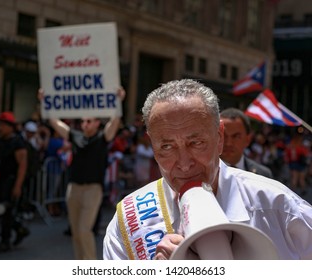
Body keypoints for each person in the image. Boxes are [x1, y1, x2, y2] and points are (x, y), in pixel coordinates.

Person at [103, 79, 312, 260]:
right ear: (152, 146)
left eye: (196, 143)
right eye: (166, 147)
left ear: (219, 138)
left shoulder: (279, 208)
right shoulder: (128, 223)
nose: (184, 164)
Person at [39, 87, 125, 260]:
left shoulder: (103, 137)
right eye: (83, 121)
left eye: (89, 121)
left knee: (84, 230)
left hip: (93, 189)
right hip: (74, 188)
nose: (85, 124)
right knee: (76, 232)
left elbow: (114, 121)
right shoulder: (75, 135)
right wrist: (44, 101)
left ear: (96, 123)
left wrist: (119, 101)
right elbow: (54, 122)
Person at [0, 112, 30, 253]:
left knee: (5, 210)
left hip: (12, 181)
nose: (0, 127)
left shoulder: (17, 142)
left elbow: (22, 165)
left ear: (10, 127)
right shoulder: (1, 141)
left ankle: (5, 240)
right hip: (2, 180)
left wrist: (17, 186)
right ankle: (19, 228)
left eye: (2, 125)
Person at [220, 107, 273, 178]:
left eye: (236, 136)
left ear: (248, 139)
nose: (228, 143)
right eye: (223, 135)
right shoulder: (202, 173)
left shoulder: (263, 175)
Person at [284, 129, 310, 196]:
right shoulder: (301, 146)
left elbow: (287, 154)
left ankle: (292, 191)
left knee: (294, 178)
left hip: (293, 163)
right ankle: (303, 189)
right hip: (300, 163)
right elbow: (305, 154)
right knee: (301, 178)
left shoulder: (291, 145)